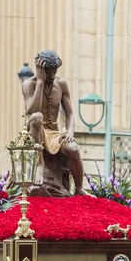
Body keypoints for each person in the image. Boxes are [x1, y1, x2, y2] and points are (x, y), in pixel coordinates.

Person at [23, 49, 86, 196]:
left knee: (73, 148)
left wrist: (70, 132)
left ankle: (79, 188)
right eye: (48, 71)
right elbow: (31, 111)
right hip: (34, 130)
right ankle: (40, 164)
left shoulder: (61, 84)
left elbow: (70, 114)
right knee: (37, 117)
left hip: (54, 134)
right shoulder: (29, 84)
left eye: (54, 71)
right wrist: (40, 82)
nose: (51, 75)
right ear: (40, 69)